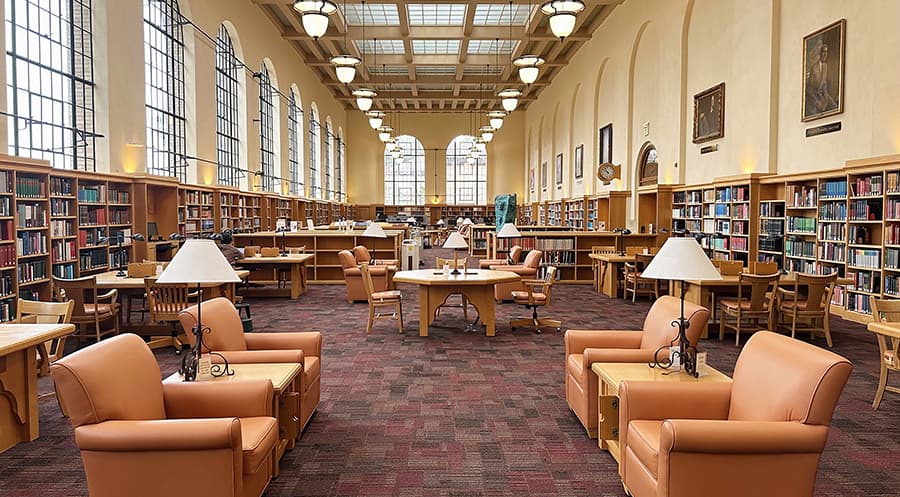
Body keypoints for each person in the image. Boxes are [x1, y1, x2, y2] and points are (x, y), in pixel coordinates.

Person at [806, 41, 837, 116]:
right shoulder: (814, 68)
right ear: (820, 53)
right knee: (817, 114)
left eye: (826, 52)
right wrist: (817, 103)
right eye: (823, 52)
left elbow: (824, 85)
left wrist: (825, 98)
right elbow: (810, 90)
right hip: (814, 98)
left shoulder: (825, 66)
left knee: (835, 107)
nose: (825, 54)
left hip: (822, 96)